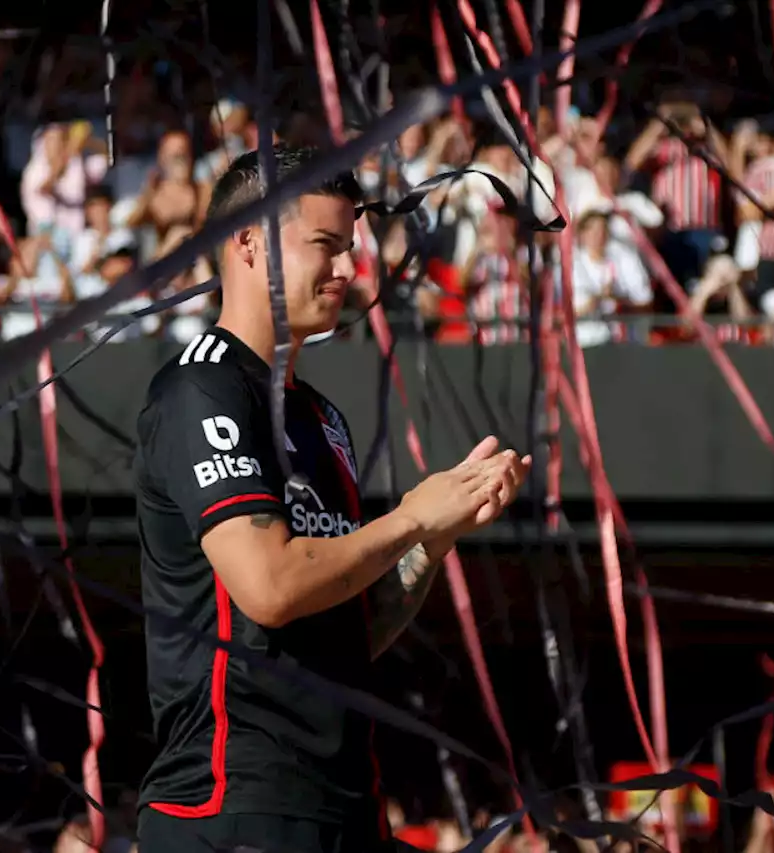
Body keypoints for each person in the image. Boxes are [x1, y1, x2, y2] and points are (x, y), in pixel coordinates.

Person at [133, 144, 531, 853]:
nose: (350, 269)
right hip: (233, 813)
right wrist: (409, 515)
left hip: (342, 811)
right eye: (327, 245)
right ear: (250, 242)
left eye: (350, 248)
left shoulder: (322, 417)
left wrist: (431, 540)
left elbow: (346, 633)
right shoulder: (203, 388)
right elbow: (271, 586)